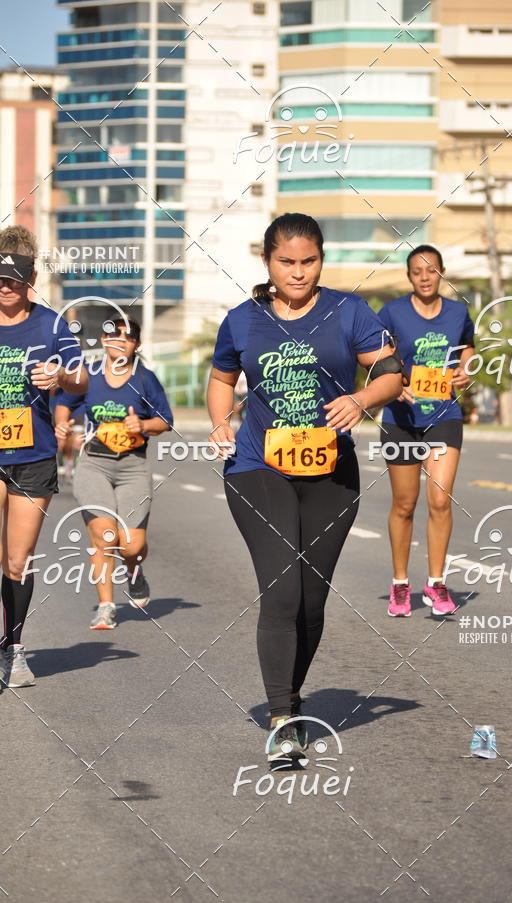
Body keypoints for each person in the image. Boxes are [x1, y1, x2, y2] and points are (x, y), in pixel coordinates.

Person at [208, 212, 406, 762]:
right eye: (286, 262)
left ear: (322, 259)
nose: (297, 272)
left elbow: (391, 373)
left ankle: (292, 694)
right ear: (267, 261)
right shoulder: (242, 320)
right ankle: (281, 718)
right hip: (257, 467)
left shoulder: (349, 311)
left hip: (331, 474)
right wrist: (221, 422)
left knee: (312, 602)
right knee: (284, 591)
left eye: (309, 261)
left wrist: (362, 399)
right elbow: (222, 377)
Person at [0, 225, 86, 688]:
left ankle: (13, 650)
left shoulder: (52, 325)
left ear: (30, 279)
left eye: (14, 280)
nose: (5, 288)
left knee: (17, 561)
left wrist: (60, 377)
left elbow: (82, 379)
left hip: (32, 456)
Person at [54, 317, 173, 630]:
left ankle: (134, 570)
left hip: (133, 465)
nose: (120, 339)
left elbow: (164, 420)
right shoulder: (89, 374)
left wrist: (143, 424)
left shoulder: (145, 379)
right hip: (94, 463)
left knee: (131, 545)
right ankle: (106, 607)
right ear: (104, 340)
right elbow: (65, 401)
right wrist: (62, 423)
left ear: (137, 344)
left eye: (128, 335)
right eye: (113, 333)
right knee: (104, 535)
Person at [378, 244, 475, 619]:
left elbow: (467, 348)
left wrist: (465, 371)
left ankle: (436, 582)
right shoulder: (392, 313)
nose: (424, 277)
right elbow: (375, 355)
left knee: (440, 500)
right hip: (401, 419)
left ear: (441, 273)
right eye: (417, 271)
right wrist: (392, 383)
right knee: (405, 504)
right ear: (409, 276)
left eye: (431, 270)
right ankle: (400, 584)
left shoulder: (457, 312)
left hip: (443, 416)